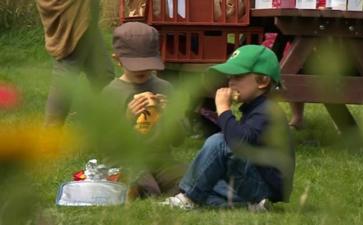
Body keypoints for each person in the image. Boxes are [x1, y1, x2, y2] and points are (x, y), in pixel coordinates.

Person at [162, 45, 295, 211]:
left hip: (264, 185)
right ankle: (252, 205)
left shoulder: (267, 111)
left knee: (219, 142)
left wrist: (223, 110)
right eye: (230, 76)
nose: (230, 82)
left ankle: (188, 198)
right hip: (254, 182)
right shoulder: (256, 108)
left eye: (238, 76)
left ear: (263, 81)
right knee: (204, 174)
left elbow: (238, 142)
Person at [102, 22, 185, 198]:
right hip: (125, 160)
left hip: (160, 160)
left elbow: (179, 139)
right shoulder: (111, 93)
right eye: (135, 65)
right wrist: (126, 118)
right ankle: (138, 189)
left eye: (147, 63)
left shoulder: (164, 87)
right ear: (117, 60)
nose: (142, 69)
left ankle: (177, 193)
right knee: (144, 184)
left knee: (190, 177)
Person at [36, 0, 115, 127]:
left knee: (103, 75)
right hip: (75, 13)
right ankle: (50, 138)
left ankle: (110, 129)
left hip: (86, 17)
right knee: (66, 76)